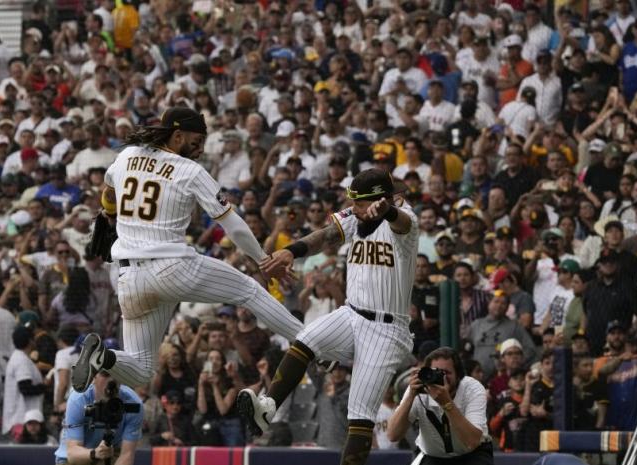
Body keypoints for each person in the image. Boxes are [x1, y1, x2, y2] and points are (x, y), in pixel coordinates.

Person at [72, 107, 305, 392]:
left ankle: (101, 357)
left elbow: (108, 192)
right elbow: (234, 225)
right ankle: (310, 342)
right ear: (177, 135)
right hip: (172, 267)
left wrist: (109, 215)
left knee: (141, 369)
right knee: (250, 290)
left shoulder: (127, 156)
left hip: (130, 279)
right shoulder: (190, 170)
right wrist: (261, 259)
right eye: (196, 140)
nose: (200, 148)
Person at [238, 168, 417, 465]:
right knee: (305, 338)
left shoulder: (406, 221)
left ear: (379, 199)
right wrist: (292, 251)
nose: (352, 208)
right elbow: (327, 235)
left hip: (386, 329)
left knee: (359, 415)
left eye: (359, 202)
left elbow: (402, 223)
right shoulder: (358, 217)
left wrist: (386, 211)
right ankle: (267, 407)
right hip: (352, 312)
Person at [386, 347, 493, 464]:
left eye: (446, 373)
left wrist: (446, 403)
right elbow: (392, 435)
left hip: (472, 454)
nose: (441, 377)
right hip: (432, 456)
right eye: (435, 371)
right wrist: (410, 396)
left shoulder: (472, 388)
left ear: (459, 376)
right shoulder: (419, 388)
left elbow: (472, 441)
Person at [55, 371, 143, 465]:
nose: (111, 380)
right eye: (105, 374)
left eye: (117, 374)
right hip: (77, 454)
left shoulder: (134, 403)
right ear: (93, 377)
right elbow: (72, 454)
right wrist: (95, 453)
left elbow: (127, 455)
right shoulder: (78, 399)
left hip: (112, 451)